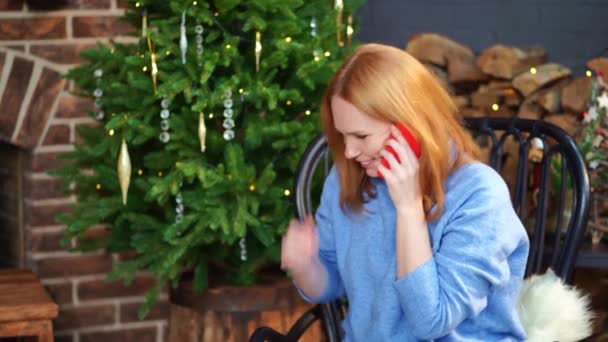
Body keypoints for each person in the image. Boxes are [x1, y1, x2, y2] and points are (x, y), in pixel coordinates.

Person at [280, 43, 530, 341]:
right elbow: (329, 282)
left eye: (361, 135)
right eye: (343, 134)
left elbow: (432, 322)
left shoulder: (479, 195)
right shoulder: (346, 177)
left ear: (412, 126)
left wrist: (409, 208)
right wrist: (306, 265)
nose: (349, 150)